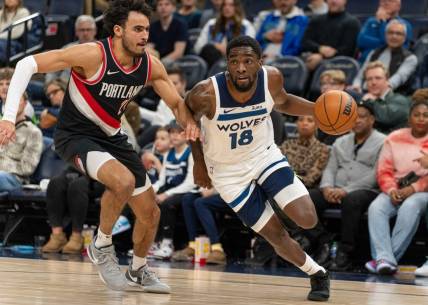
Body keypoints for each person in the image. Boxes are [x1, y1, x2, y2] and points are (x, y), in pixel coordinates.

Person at [0, 0, 198, 293]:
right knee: (123, 181)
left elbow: (176, 104)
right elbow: (27, 64)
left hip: (112, 136)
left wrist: (191, 122)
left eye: (147, 29)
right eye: (138, 29)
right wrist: (7, 116)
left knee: (151, 212)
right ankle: (102, 245)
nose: (145, 36)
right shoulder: (92, 54)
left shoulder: (150, 66)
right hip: (74, 135)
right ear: (118, 30)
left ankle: (139, 270)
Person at [185, 35, 330, 302]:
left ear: (259, 63)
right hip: (227, 172)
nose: (241, 67)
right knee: (275, 235)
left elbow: (284, 102)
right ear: (226, 63)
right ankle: (317, 273)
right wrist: (199, 164)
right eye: (234, 61)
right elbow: (188, 121)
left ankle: (277, 200)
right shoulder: (206, 93)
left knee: (307, 218)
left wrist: (319, 111)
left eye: (248, 61)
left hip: (264, 156)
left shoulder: (271, 78)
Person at [304, 101, 385, 270]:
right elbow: (330, 169)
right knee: (307, 198)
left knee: (352, 200)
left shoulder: (383, 142)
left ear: (372, 120)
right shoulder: (340, 141)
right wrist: (326, 187)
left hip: (365, 191)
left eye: (362, 117)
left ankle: (346, 251)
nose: (357, 121)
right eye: (354, 117)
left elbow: (376, 175)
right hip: (334, 189)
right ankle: (323, 241)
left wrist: (345, 190)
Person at [366, 100, 428, 275]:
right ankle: (386, 260)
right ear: (409, 118)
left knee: (410, 206)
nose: (421, 119)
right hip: (395, 187)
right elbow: (383, 170)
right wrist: (392, 190)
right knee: (376, 207)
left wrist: (414, 188)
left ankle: (383, 259)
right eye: (417, 115)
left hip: (422, 191)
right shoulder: (394, 138)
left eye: (426, 115)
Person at [42, 167, 104, 254]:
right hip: (79, 169)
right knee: (55, 182)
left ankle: (76, 237)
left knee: (77, 185)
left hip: (100, 175)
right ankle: (57, 237)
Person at [352, 19, 417, 95]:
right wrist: (356, 86)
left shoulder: (410, 58)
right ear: (385, 35)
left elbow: (397, 79)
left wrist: (375, 92)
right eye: (390, 33)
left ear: (404, 38)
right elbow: (360, 76)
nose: (394, 36)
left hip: (393, 96)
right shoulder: (374, 53)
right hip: (367, 92)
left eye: (398, 33)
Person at [0, 92, 43, 192]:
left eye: (16, 101)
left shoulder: (33, 132)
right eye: (8, 102)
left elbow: (27, 167)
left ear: (25, 103)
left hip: (15, 179)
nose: (12, 104)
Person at [301, 0, 360, 71]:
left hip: (340, 67)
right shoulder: (316, 20)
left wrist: (321, 57)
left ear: (345, 1)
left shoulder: (352, 22)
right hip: (312, 63)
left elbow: (348, 50)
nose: (333, 1)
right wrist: (320, 48)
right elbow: (305, 42)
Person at [194, 0, 256, 67]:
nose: (227, 8)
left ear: (237, 7)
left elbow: (250, 49)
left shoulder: (245, 25)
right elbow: (198, 47)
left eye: (231, 5)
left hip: (236, 61)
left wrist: (228, 49)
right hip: (211, 58)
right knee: (210, 50)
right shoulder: (211, 24)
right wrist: (215, 45)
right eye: (224, 5)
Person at [45, 15, 98, 84]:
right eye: (82, 30)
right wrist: (50, 85)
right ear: (76, 32)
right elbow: (52, 70)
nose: (85, 33)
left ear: (95, 31)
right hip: (61, 86)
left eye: (88, 29)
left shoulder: (101, 49)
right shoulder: (68, 48)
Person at [360, 61, 410, 134]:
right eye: (369, 79)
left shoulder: (400, 100)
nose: (373, 82)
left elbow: (387, 117)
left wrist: (369, 102)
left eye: (378, 78)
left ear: (387, 80)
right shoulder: (364, 101)